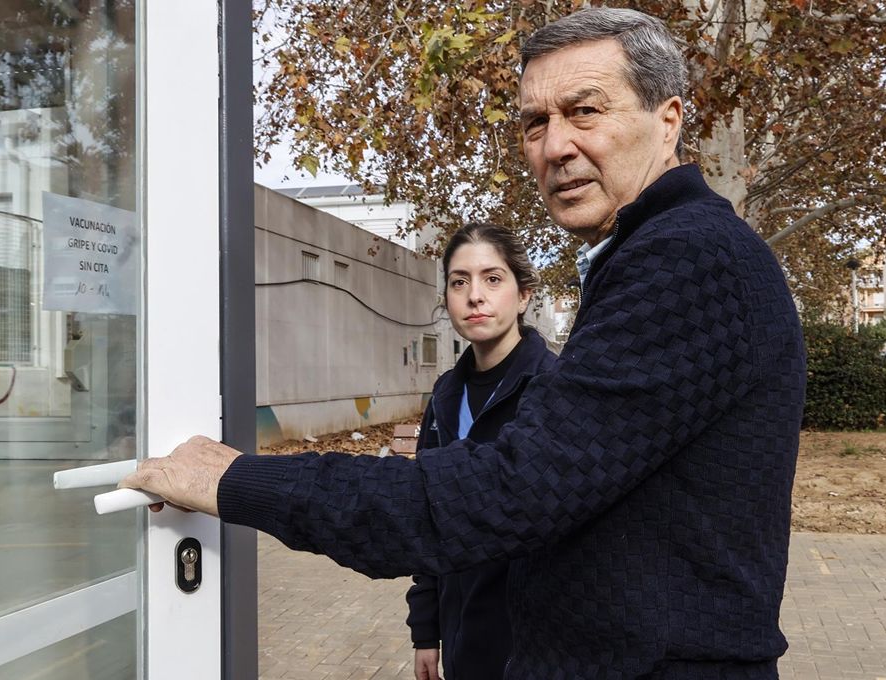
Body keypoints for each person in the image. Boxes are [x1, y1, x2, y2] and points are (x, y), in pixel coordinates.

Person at [122, 8, 805, 678]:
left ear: (669, 119)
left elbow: (502, 494)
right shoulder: (646, 255)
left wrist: (237, 480)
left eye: (585, 111)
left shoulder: (688, 259)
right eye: (535, 123)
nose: (555, 146)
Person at [407, 223, 557, 680]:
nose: (475, 296)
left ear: (524, 295)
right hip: (461, 638)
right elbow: (425, 515)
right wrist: (426, 632)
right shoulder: (444, 397)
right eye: (459, 282)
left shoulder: (555, 387)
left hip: (536, 643)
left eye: (493, 279)